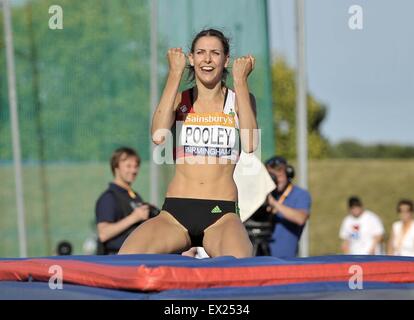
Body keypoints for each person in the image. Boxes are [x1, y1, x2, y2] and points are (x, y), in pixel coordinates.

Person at [119, 28, 258, 258]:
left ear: (226, 60)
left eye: (215, 53)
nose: (207, 59)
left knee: (238, 264)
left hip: (221, 213)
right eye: (201, 52)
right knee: (127, 258)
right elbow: (158, 136)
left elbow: (251, 143)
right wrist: (174, 74)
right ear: (191, 59)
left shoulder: (239, 98)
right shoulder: (179, 98)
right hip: (175, 213)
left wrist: (241, 82)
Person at [95, 147, 157, 255]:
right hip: (117, 261)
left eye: (136, 166)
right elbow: (103, 233)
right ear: (116, 167)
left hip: (135, 257)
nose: (133, 170)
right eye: (128, 166)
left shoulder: (134, 196)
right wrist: (134, 217)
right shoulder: (109, 198)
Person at [263, 156, 311, 258]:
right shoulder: (263, 195)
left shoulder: (300, 194)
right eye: (272, 176)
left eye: (279, 174)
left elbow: (301, 218)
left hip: (286, 262)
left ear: (288, 173)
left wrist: (273, 203)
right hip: (259, 259)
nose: (277, 180)